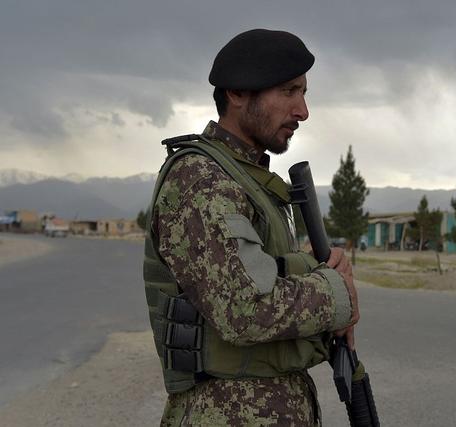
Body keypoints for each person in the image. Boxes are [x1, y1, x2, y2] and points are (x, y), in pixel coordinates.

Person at [142, 29, 359, 426]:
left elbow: (259, 272)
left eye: (304, 93)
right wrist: (335, 292)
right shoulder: (202, 181)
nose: (303, 111)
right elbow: (244, 309)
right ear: (237, 93)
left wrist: (316, 267)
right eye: (289, 91)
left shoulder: (246, 180)